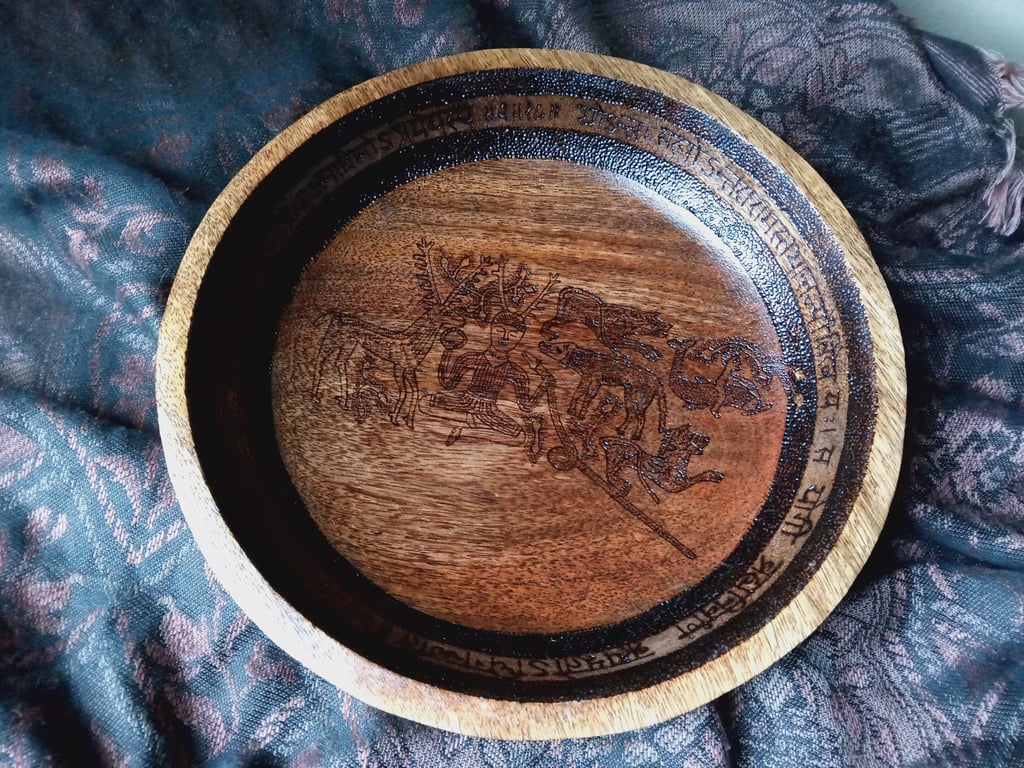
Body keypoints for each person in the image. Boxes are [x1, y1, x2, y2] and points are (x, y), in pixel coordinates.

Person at [431, 312, 549, 446]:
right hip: (464, 400)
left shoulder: (516, 372)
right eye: (500, 331)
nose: (505, 337)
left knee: (519, 437)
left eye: (513, 335)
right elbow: (447, 384)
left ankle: (464, 429)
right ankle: (469, 423)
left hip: (489, 410)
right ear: (492, 331)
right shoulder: (471, 358)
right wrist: (447, 351)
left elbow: (526, 406)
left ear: (520, 339)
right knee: (427, 402)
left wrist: (545, 383)